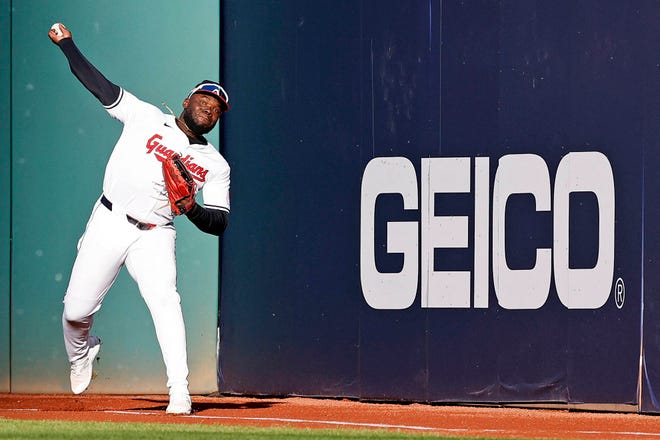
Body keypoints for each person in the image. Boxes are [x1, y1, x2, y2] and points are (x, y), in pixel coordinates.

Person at [48, 23, 230, 415]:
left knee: (166, 302)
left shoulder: (215, 165)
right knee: (75, 313)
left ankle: (179, 392)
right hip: (109, 220)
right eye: (204, 99)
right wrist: (68, 46)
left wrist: (193, 209)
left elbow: (219, 223)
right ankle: (82, 354)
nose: (210, 107)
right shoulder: (146, 116)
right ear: (186, 100)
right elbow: (100, 86)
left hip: (155, 234)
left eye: (217, 109)